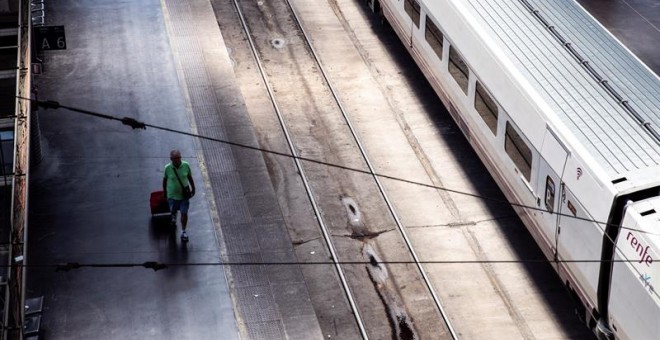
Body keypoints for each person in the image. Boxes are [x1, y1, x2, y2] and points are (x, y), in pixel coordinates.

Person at [163, 149, 196, 241]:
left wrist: (193, 188)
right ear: (171, 159)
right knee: (173, 210)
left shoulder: (186, 165)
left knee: (184, 213)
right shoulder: (167, 168)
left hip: (184, 196)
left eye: (179, 157)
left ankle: (183, 231)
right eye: (175, 158)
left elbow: (189, 177)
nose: (177, 160)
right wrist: (165, 193)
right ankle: (173, 216)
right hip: (172, 196)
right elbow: (165, 180)